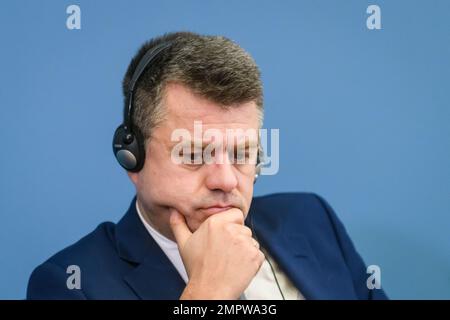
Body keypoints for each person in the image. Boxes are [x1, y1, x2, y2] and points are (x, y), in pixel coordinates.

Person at [27, 31, 387, 300]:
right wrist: (207, 294)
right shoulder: (70, 283)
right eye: (195, 154)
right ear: (131, 156)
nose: (226, 180)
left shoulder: (312, 219)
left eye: (242, 153)